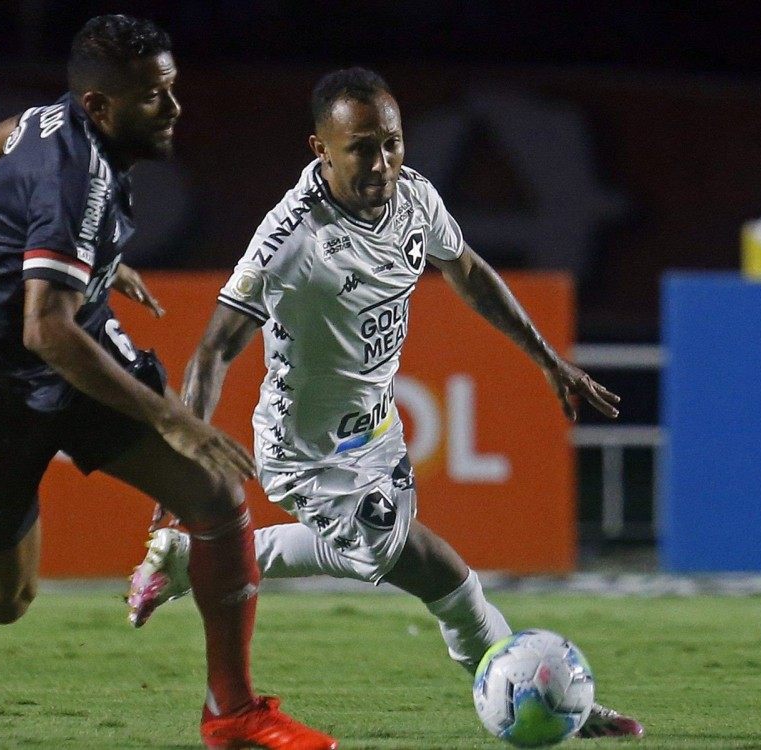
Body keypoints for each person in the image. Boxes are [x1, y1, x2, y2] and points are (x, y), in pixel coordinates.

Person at [0, 14, 337, 750]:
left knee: (214, 495)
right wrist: (172, 417)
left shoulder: (56, 125)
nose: (173, 107)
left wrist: (75, 251)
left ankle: (233, 712)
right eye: (153, 95)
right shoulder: (75, 174)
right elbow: (44, 330)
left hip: (69, 351)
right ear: (99, 108)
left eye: (171, 88)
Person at [127, 67, 644, 740]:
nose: (382, 162)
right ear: (322, 149)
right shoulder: (290, 237)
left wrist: (546, 358)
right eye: (363, 148)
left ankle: (196, 556)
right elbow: (214, 352)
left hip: (376, 433)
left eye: (393, 143)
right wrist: (185, 469)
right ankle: (552, 706)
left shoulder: (415, 199)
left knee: (380, 561)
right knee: (445, 577)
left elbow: (466, 270)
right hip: (306, 451)